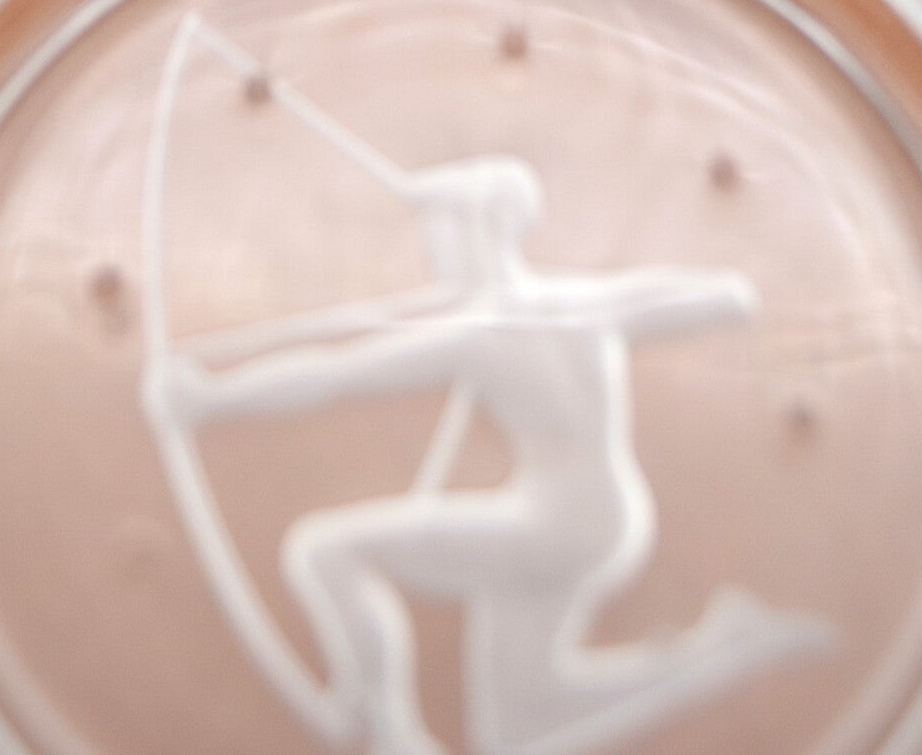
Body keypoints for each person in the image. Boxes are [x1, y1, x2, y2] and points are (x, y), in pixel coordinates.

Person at [146, 153, 828, 755]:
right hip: (604, 517)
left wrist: (211, 398)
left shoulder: (476, 333)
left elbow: (333, 375)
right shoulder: (582, 304)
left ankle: (385, 729)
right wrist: (641, 298)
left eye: (438, 228)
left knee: (324, 551)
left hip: (554, 525)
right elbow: (729, 295)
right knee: (515, 727)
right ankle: (720, 650)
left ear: (481, 228)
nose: (430, 247)